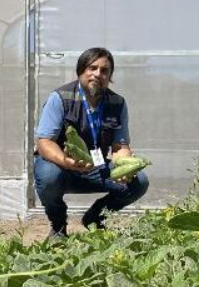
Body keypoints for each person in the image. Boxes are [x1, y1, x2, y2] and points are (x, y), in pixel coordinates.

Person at [33, 47, 149, 239]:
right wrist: (66, 161)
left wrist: (126, 163)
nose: (97, 74)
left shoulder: (117, 103)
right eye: (92, 68)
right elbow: (45, 142)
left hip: (96, 167)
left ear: (110, 76)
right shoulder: (60, 98)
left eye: (104, 70)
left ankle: (95, 217)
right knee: (48, 176)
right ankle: (58, 225)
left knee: (139, 182)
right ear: (81, 71)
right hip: (62, 167)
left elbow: (120, 146)